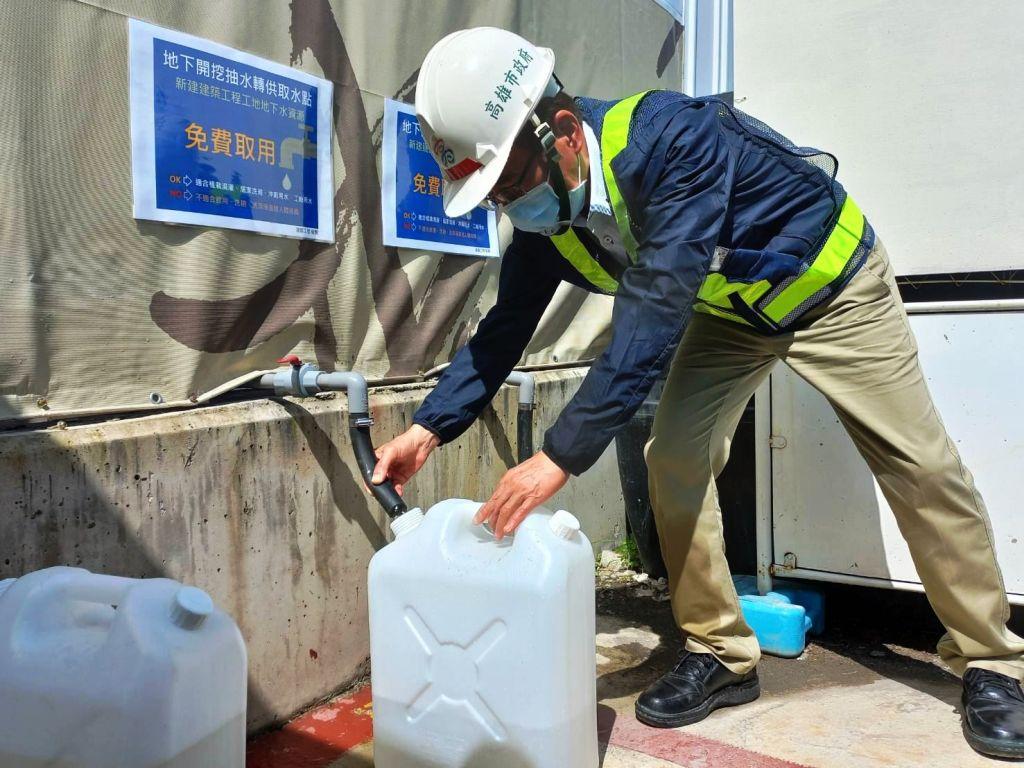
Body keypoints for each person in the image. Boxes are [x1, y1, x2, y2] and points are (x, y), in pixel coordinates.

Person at [372, 27, 1024, 758]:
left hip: (831, 287)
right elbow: (504, 329)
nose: (509, 206)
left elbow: (654, 307)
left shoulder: (668, 139)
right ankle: (720, 651)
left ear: (559, 132)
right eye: (492, 196)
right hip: (732, 311)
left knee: (919, 466)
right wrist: (429, 428)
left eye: (510, 182)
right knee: (673, 458)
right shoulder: (548, 223)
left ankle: (992, 658)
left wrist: (559, 456)